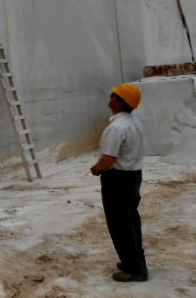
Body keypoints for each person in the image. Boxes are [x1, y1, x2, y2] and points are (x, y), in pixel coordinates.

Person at [90, 83, 148, 282]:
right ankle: (134, 261)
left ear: (119, 102)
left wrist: (96, 169)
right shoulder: (134, 122)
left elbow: (108, 159)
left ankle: (135, 269)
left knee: (120, 225)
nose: (110, 96)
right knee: (130, 221)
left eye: (113, 95)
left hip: (118, 180)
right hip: (133, 176)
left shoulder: (116, 128)